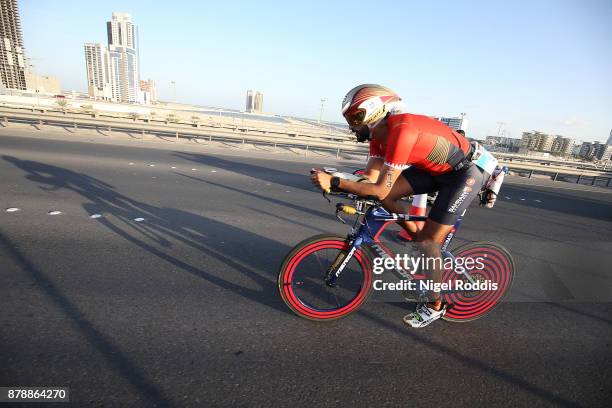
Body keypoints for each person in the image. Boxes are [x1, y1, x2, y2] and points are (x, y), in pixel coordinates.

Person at [311, 84, 497, 328]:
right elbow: (373, 180)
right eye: (348, 118)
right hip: (435, 169)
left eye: (356, 117)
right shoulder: (378, 136)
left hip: (465, 173)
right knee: (388, 200)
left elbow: (378, 187)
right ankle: (423, 243)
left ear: (375, 113)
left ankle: (435, 306)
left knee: (429, 243)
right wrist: (337, 178)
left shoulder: (402, 131)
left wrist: (336, 182)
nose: (351, 124)